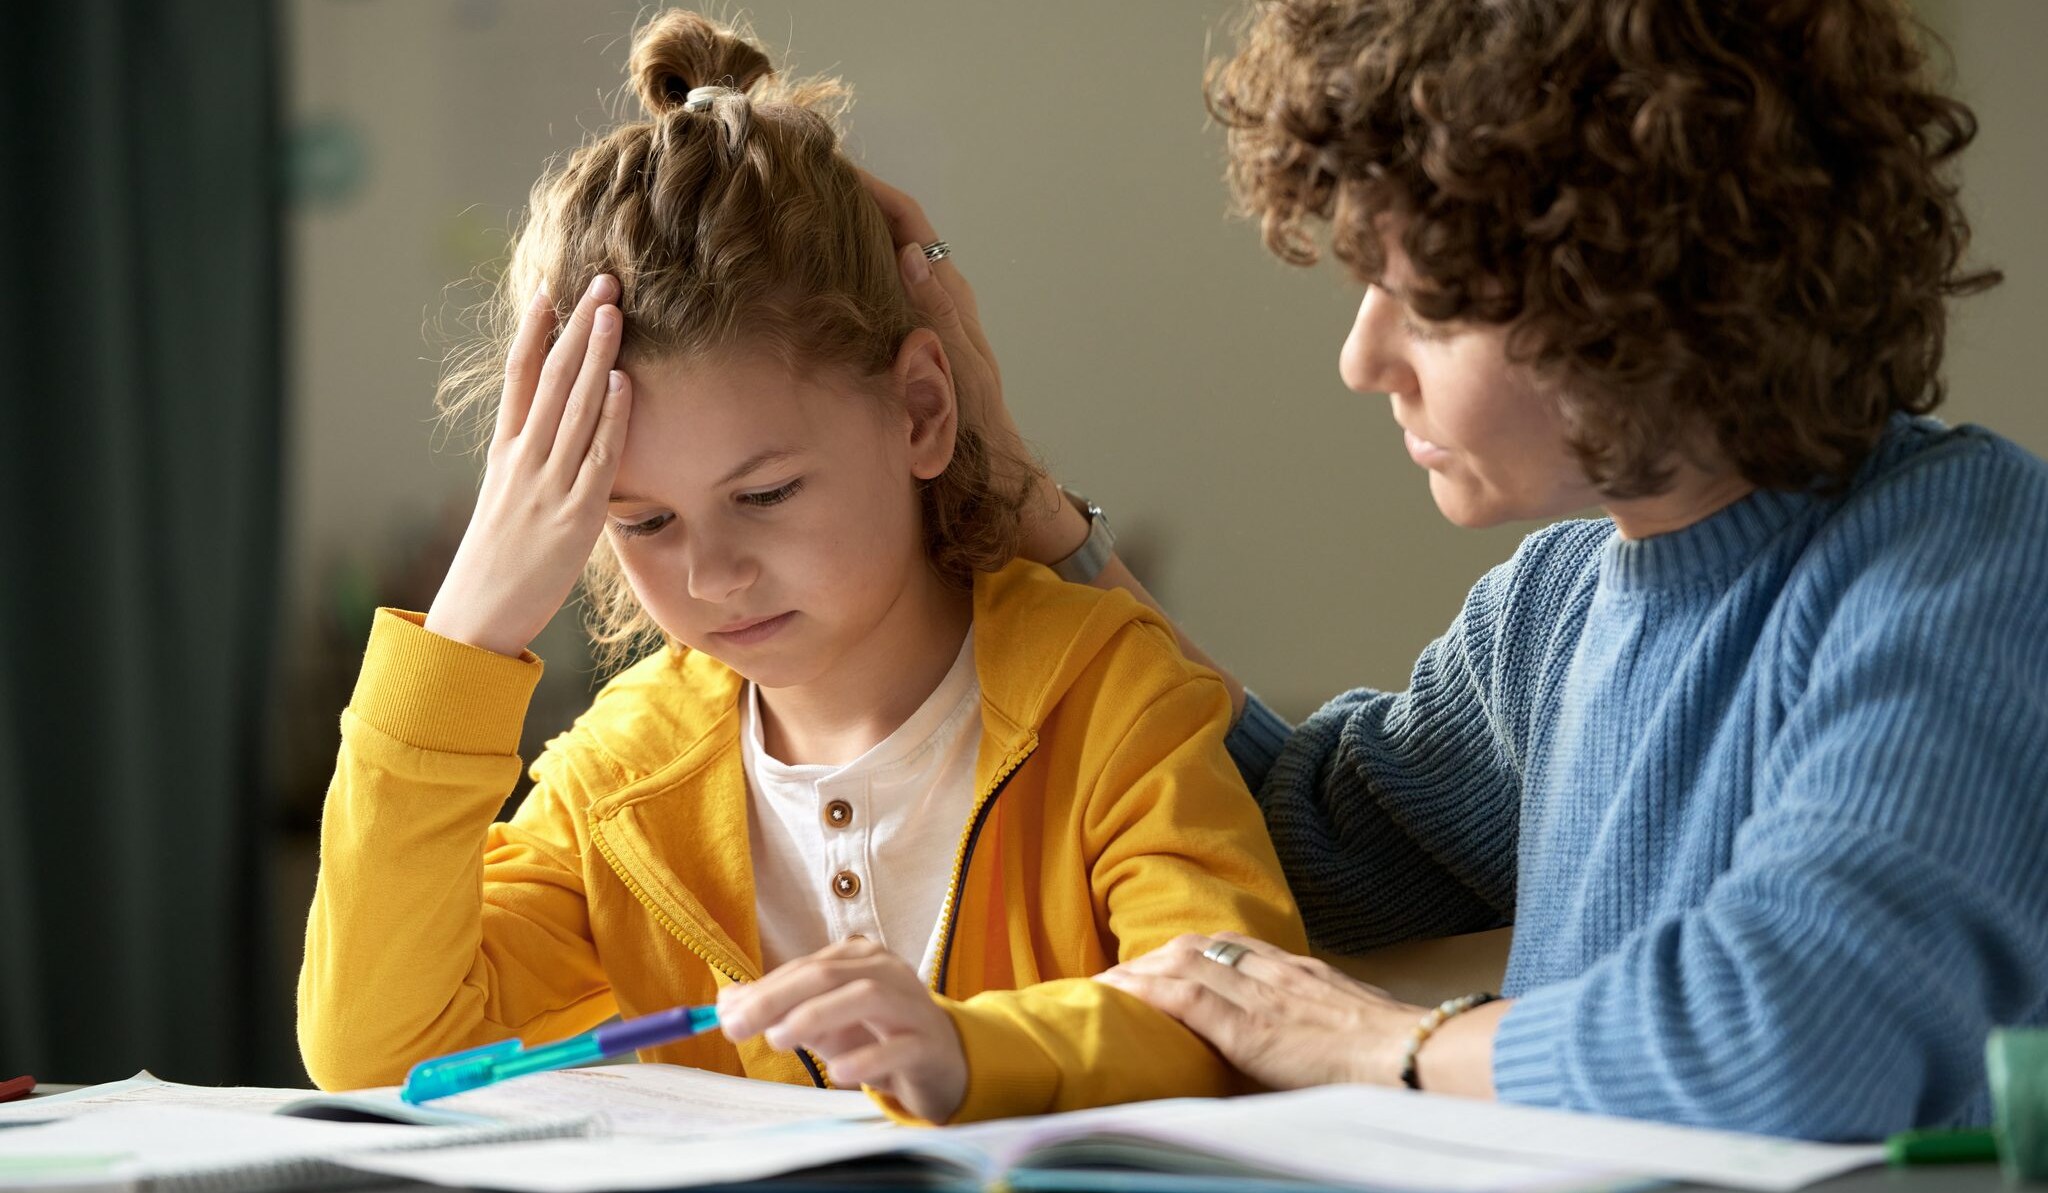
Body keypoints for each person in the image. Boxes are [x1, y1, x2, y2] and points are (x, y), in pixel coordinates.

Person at [865, 0, 2048, 1141]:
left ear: (1642, 286)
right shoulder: (1552, 607)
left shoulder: (1965, 552)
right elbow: (1278, 823)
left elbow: (1801, 1040)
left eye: (1432, 303)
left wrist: (1380, 1042)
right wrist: (1010, 479)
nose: (1364, 358)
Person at [295, 9, 1304, 1126]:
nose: (715, 572)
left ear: (922, 409)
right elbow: (375, 1051)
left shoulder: (1111, 693)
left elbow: (1243, 1019)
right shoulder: (615, 785)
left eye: (765, 494)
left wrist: (970, 1049)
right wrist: (470, 626)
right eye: (641, 522)